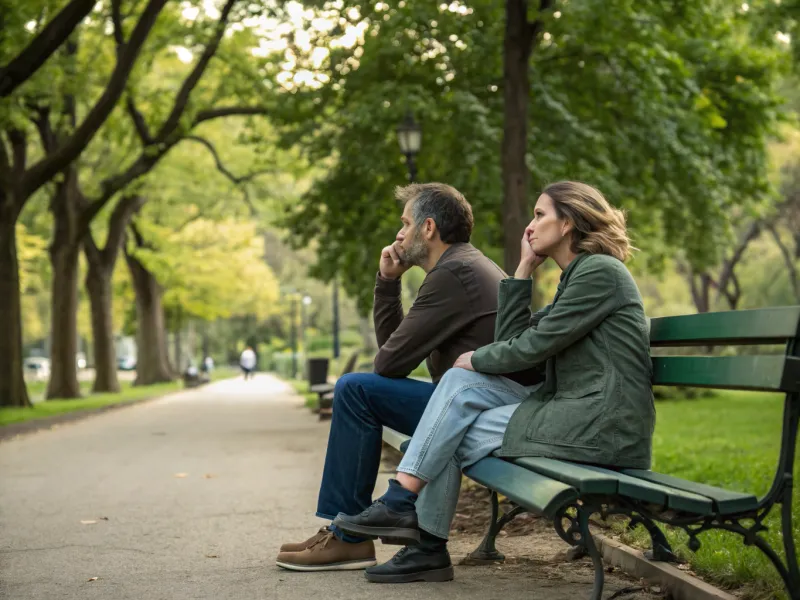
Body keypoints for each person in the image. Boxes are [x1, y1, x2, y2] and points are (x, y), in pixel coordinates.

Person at [332, 181, 656, 583]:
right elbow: (514, 339)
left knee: (450, 408)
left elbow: (533, 346)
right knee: (447, 419)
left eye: (540, 215)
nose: (530, 226)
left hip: (602, 423)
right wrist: (522, 270)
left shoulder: (600, 272)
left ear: (568, 222)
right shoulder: (576, 277)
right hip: (572, 414)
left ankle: (407, 512)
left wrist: (475, 358)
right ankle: (423, 545)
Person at [276, 183, 542, 572]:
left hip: (488, 410)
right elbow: (395, 361)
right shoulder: (459, 267)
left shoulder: (455, 274)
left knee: (354, 389)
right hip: (474, 402)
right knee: (360, 390)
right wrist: (389, 281)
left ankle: (348, 536)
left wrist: (385, 286)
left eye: (405, 223)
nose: (399, 234)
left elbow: (387, 365)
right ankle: (346, 531)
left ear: (428, 228)